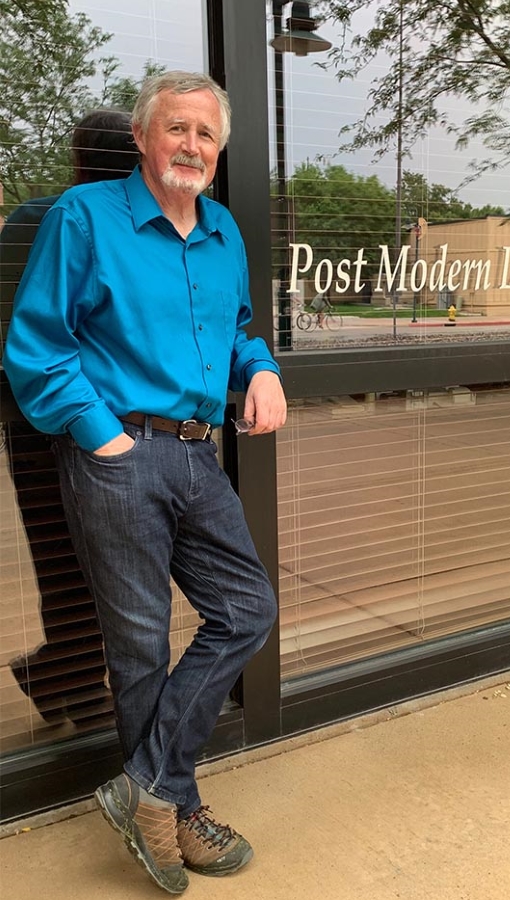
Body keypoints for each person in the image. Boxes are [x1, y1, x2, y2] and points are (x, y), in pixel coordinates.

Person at [4, 71, 287, 895]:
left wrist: (261, 369)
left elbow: (235, 329)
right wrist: (105, 439)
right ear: (142, 137)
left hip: (201, 455)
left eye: (205, 133)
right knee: (138, 646)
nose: (191, 146)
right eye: (176, 129)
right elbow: (36, 346)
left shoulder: (224, 230)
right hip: (119, 454)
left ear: (219, 147)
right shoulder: (82, 218)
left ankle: (148, 788)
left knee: (247, 610)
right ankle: (177, 808)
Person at [1, 109, 139, 728]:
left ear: (81, 160)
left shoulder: (39, 219)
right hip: (55, 419)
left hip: (54, 421)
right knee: (80, 559)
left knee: (75, 559)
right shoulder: (54, 221)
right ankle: (79, 691)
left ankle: (59, 674)